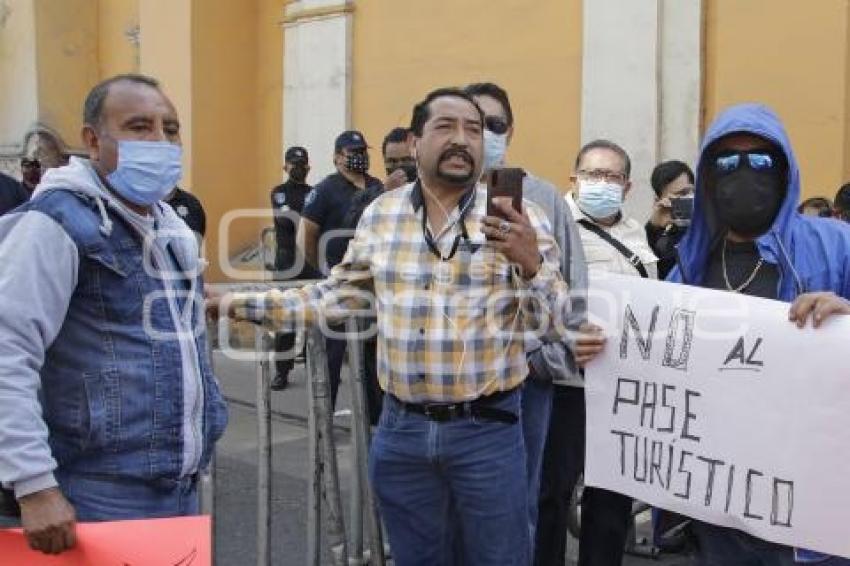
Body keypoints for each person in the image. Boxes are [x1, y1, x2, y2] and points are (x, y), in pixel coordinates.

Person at [214, 86, 569, 565]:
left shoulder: (522, 219)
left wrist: (531, 265)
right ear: (415, 141)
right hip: (401, 434)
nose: (463, 138)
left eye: (474, 129)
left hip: (487, 434)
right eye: (446, 126)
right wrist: (236, 303)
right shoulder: (382, 215)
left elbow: (556, 323)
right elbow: (334, 296)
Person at [0, 74, 228, 555]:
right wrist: (35, 485)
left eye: (170, 128)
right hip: (95, 495)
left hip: (177, 489)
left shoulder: (166, 225)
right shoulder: (57, 223)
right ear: (92, 140)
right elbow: (7, 350)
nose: (160, 141)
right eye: (140, 127)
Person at [669, 103, 850, 566]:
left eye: (761, 162)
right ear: (709, 178)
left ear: (785, 171)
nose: (744, 175)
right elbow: (651, 348)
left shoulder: (836, 243)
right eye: (727, 163)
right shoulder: (691, 264)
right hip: (720, 505)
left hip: (814, 502)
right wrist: (602, 349)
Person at [464, 81, 590, 552]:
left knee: (524, 499)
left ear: (510, 131)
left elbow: (573, 285)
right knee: (466, 503)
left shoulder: (544, 197)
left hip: (529, 378)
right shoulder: (440, 195)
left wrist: (545, 357)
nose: (486, 134)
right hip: (461, 375)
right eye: (477, 124)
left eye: (495, 125)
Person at [553, 139, 657, 566]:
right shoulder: (550, 226)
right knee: (552, 494)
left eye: (611, 176)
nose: (601, 183)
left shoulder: (635, 232)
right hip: (565, 384)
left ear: (627, 186)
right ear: (573, 178)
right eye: (592, 174)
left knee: (611, 499)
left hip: (620, 388)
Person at [297, 130, 382, 406]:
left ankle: (374, 416)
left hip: (371, 284)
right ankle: (324, 414)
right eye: (353, 153)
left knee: (372, 353)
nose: (360, 158)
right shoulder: (325, 190)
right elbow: (306, 234)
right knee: (332, 353)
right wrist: (320, 268)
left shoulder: (376, 185)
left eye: (362, 152)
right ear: (337, 158)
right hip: (338, 282)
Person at [269, 145, 319, 390]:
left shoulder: (315, 193)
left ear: (309, 167)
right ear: (285, 166)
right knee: (286, 319)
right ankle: (282, 371)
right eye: (293, 163)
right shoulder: (279, 192)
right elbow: (287, 220)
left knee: (313, 318)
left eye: (302, 164)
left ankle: (317, 368)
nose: (298, 168)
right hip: (288, 263)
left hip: (310, 261)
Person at [645, 160, 695, 280]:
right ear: (661, 200)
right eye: (681, 194)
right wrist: (653, 228)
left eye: (691, 190)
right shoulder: (661, 238)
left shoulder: (712, 223)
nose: (690, 196)